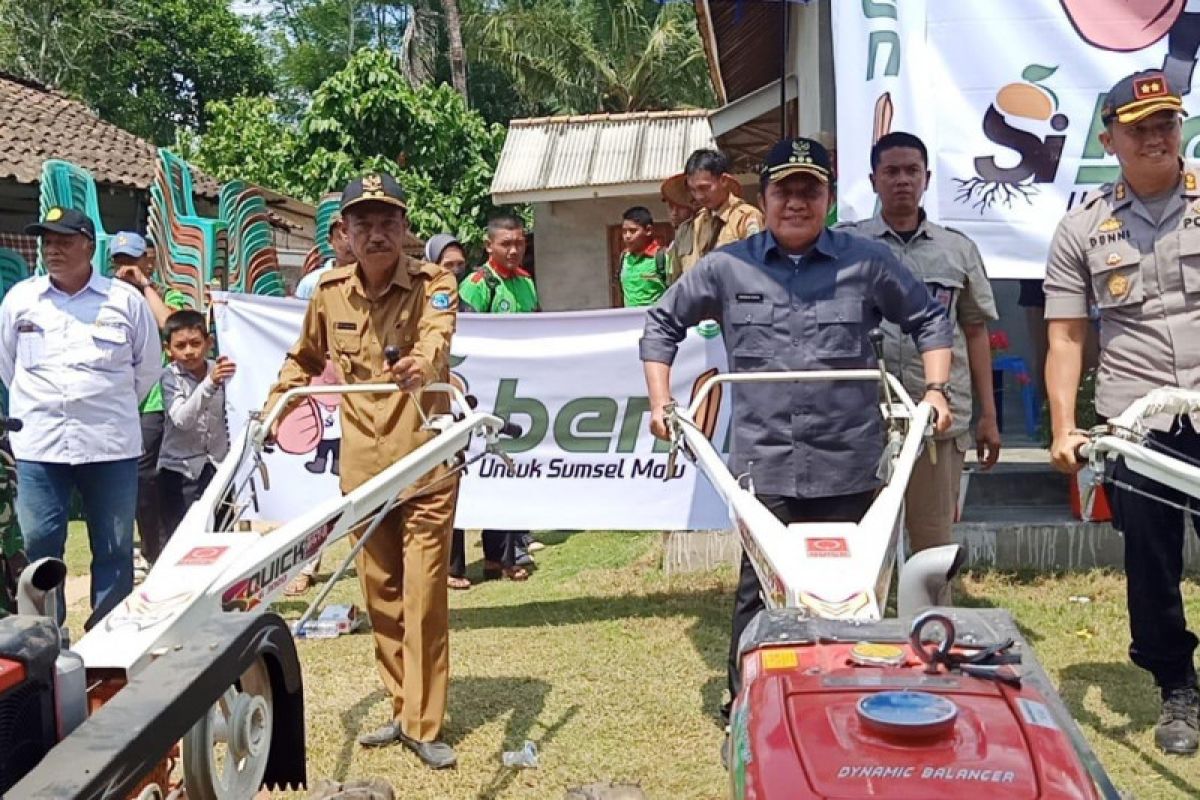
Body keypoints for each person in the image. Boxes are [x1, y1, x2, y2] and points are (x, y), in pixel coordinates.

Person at [640, 137, 953, 765]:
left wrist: (937, 390)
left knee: (856, 590)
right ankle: (747, 702)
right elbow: (661, 323)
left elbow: (929, 319)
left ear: (829, 198)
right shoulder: (729, 267)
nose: (797, 202)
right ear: (765, 197)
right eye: (784, 189)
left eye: (810, 189)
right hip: (764, 464)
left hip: (850, 458)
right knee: (761, 591)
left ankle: (855, 695)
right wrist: (659, 403)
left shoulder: (865, 263)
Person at [263, 173, 460, 768]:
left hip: (425, 461)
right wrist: (281, 400)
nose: (377, 235)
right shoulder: (329, 291)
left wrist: (421, 366)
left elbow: (438, 338)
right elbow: (304, 358)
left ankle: (425, 723)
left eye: (388, 223)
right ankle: (401, 708)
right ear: (344, 233)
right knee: (382, 594)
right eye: (364, 224)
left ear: (404, 229)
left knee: (425, 595)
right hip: (364, 469)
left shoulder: (435, 283)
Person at [1045, 69, 1200, 756]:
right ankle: (1177, 689)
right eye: (1140, 128)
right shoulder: (1083, 228)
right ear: (1110, 140)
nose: (1157, 136)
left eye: (1167, 121)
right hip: (1138, 423)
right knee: (1152, 559)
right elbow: (1066, 337)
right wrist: (1061, 429)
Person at [837, 132, 1001, 552]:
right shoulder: (845, 246)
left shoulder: (957, 250)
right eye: (891, 172)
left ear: (926, 178)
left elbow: (976, 332)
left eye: (912, 171)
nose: (902, 180)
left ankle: (932, 616)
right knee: (863, 539)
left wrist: (989, 416)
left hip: (937, 420)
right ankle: (864, 618)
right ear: (873, 181)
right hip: (864, 418)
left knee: (933, 539)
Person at [0, 207, 161, 624]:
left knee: (113, 547)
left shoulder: (125, 301)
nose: (53, 249)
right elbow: (7, 366)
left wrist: (103, 406)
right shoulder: (21, 300)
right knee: (40, 544)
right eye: (47, 241)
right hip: (41, 445)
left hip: (109, 445)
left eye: (64, 241)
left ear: (89, 245)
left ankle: (110, 639)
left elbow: (146, 371)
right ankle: (45, 640)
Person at [285, 203, 359, 596]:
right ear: (333, 237)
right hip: (324, 387)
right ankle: (307, 564)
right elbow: (300, 336)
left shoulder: (378, 277)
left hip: (365, 394)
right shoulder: (313, 285)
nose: (350, 239)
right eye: (342, 231)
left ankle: (365, 561)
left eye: (355, 230)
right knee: (316, 486)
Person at [459, 215, 537, 581]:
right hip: (483, 396)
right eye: (506, 243)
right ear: (489, 245)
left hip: (520, 393)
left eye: (519, 243)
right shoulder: (476, 285)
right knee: (479, 472)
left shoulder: (526, 283)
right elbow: (465, 338)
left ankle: (503, 557)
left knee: (510, 471)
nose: (513, 250)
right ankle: (476, 560)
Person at [110, 231, 190, 567]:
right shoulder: (106, 295)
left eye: (133, 260)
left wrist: (144, 285)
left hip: (156, 399)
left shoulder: (163, 293)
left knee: (149, 474)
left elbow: (172, 325)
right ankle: (151, 548)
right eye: (120, 261)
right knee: (136, 477)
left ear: (148, 260)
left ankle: (160, 550)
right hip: (117, 399)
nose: (126, 267)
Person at [158, 309, 235, 541]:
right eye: (180, 346)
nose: (189, 351)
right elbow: (182, 419)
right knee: (183, 539)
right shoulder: (169, 377)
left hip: (219, 468)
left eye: (195, 343)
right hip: (180, 472)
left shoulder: (224, 371)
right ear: (168, 350)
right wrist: (210, 384)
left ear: (209, 343)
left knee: (221, 537)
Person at [425, 233, 473, 591]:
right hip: (433, 412)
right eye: (447, 266)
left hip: (470, 408)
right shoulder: (420, 305)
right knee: (441, 481)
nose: (455, 273)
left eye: (460, 266)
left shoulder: (471, 310)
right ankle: (449, 565)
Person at [674, 148, 764, 275]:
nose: (699, 196)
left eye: (704, 188)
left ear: (723, 180)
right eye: (693, 190)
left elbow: (757, 269)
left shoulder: (746, 218)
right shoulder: (699, 221)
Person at [296, 198, 353, 300]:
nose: (348, 241)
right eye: (342, 234)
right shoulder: (311, 283)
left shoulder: (374, 282)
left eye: (353, 234)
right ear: (330, 241)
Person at [618, 206, 667, 307]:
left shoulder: (662, 258)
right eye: (624, 231)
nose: (627, 236)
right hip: (630, 321)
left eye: (633, 231)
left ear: (648, 230)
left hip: (656, 320)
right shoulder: (624, 258)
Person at [659, 173, 697, 285]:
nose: (674, 213)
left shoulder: (704, 228)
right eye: (671, 207)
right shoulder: (681, 234)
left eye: (680, 207)